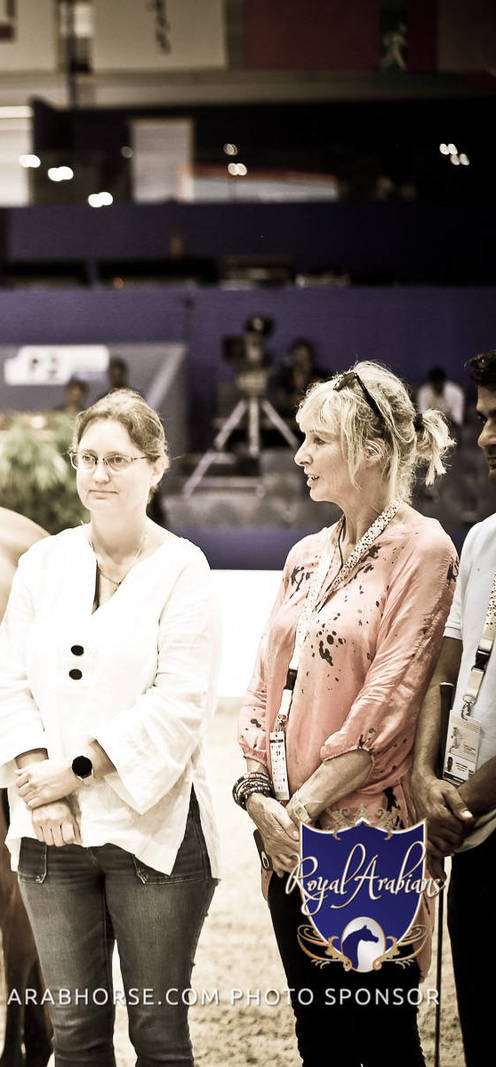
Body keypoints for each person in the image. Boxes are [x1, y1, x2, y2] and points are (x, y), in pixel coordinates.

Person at [0, 389, 220, 1063]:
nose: (100, 474)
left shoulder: (184, 570)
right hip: (51, 837)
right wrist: (41, 784)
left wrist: (74, 769)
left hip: (153, 838)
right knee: (76, 1036)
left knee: (159, 1035)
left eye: (117, 458)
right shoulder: (45, 563)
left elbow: (179, 704)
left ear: (155, 468)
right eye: (88, 458)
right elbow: (5, 680)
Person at [236, 361, 456, 1066]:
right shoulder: (304, 554)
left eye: (318, 441)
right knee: (320, 1043)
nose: (300, 455)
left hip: (369, 841)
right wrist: (259, 799)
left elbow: (386, 705)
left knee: (382, 1042)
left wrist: (294, 813)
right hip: (285, 841)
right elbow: (261, 688)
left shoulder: (424, 551)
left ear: (373, 450)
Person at [409, 350, 496, 1065]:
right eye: (487, 417)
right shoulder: (483, 539)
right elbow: (446, 671)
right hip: (470, 828)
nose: (487, 436)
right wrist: (424, 775)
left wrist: (458, 800)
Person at [270, 338, 330, 424]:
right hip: (287, 422)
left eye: (304, 356)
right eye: (298, 356)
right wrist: (292, 401)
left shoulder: (319, 375)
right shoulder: (284, 376)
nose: (301, 360)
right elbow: (279, 400)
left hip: (312, 421)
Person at [417, 366, 465, 430]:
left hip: (451, 429)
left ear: (444, 381)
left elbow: (457, 420)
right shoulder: (423, 392)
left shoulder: (456, 392)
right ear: (431, 382)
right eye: (435, 382)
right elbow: (422, 417)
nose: (437, 384)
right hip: (431, 428)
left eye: (439, 381)